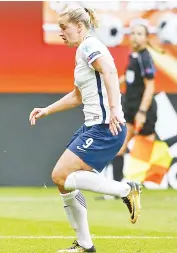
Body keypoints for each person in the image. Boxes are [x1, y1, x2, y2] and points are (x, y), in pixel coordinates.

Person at [29, 5, 142, 253]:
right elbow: (77, 96)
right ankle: (84, 245)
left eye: (64, 27)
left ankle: (126, 189)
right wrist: (47, 109)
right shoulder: (84, 50)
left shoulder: (90, 46)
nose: (61, 33)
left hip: (105, 127)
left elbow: (111, 72)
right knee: (63, 182)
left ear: (79, 27)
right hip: (92, 126)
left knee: (60, 176)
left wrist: (114, 110)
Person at [110, 22, 158, 194]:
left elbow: (150, 87)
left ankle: (146, 183)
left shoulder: (145, 57)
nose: (135, 36)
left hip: (143, 111)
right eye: (133, 33)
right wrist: (113, 84)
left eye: (139, 33)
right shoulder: (134, 56)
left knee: (146, 148)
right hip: (129, 109)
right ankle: (117, 189)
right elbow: (129, 77)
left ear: (146, 38)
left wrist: (142, 112)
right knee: (119, 147)